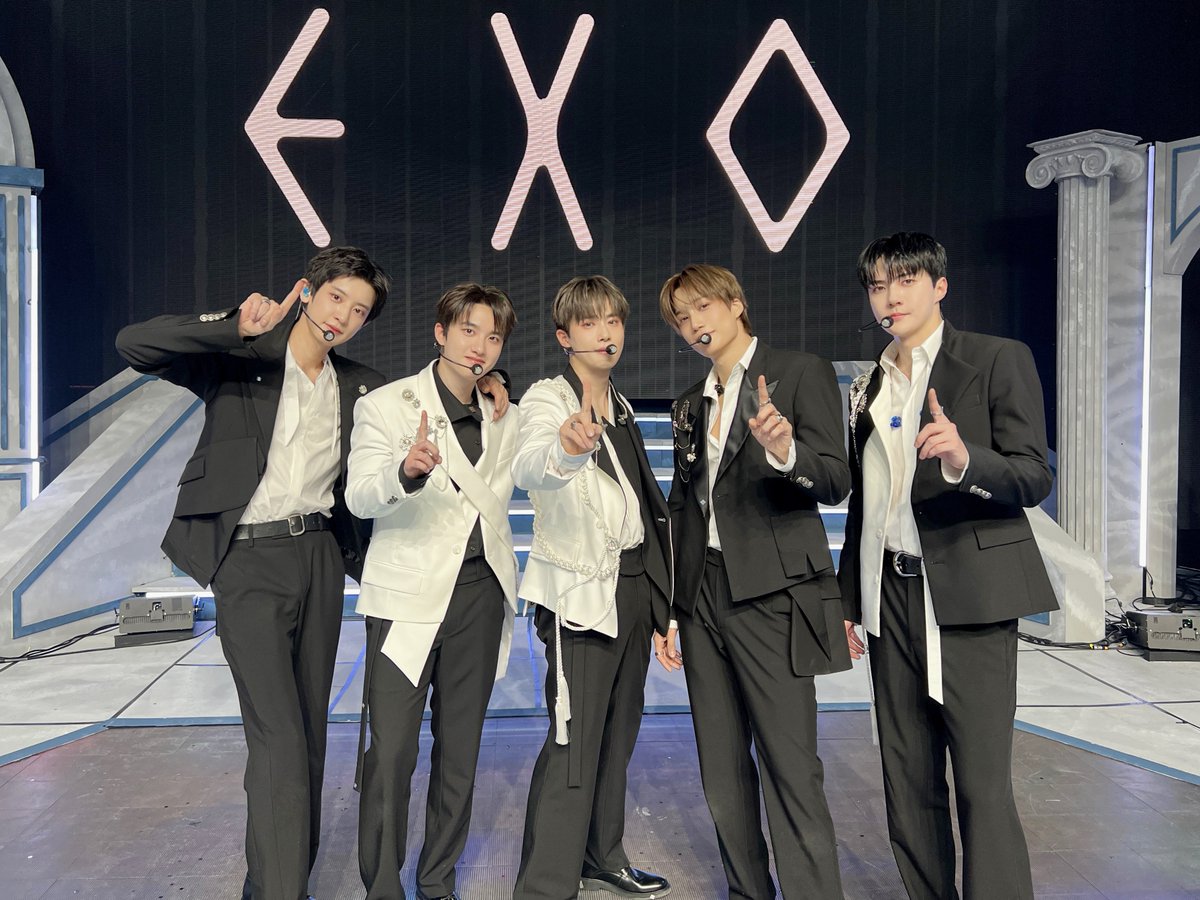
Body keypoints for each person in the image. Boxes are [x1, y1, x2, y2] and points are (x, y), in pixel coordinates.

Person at [115, 247, 393, 899]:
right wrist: (231, 326)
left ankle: (276, 879)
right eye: (336, 299)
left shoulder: (362, 386)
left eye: (359, 311)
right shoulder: (241, 360)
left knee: (309, 736)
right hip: (247, 559)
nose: (344, 317)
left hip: (319, 556)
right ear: (307, 292)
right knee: (279, 738)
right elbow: (135, 344)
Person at [839, 232, 1058, 900]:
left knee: (982, 784)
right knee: (907, 779)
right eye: (878, 285)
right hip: (889, 597)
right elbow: (868, 504)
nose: (890, 296)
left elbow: (1033, 476)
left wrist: (966, 462)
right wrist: (851, 600)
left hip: (968, 594)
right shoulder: (870, 383)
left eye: (905, 280)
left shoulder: (995, 359)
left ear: (939, 285)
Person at [658, 263, 850, 899]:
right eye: (681, 318)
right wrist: (672, 606)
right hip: (702, 596)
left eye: (702, 307)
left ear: (736, 303)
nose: (693, 324)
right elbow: (683, 506)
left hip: (773, 595)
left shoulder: (799, 372)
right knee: (721, 769)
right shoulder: (689, 402)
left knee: (790, 766)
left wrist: (787, 451)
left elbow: (835, 480)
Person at [346, 283, 520, 900]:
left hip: (479, 595)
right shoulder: (387, 405)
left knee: (460, 751)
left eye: (492, 337)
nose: (480, 346)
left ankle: (437, 880)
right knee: (391, 751)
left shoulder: (503, 412)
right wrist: (404, 472)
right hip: (406, 600)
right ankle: (381, 886)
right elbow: (358, 495)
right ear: (441, 333)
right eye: (468, 330)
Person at [511, 276, 672, 900]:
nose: (606, 333)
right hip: (581, 594)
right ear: (564, 337)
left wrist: (660, 604)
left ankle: (603, 855)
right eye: (589, 322)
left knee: (618, 731)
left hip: (633, 587)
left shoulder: (621, 406)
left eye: (613, 321)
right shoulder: (548, 398)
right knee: (574, 739)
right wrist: (567, 448)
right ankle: (546, 885)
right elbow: (532, 465)